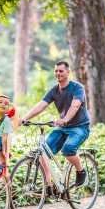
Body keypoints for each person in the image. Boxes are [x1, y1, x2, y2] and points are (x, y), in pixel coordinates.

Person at [20, 61, 90, 193]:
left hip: (80, 127)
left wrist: (65, 119)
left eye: (61, 71)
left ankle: (81, 172)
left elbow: (75, 106)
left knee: (68, 150)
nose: (58, 73)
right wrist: (24, 118)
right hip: (62, 128)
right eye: (56, 71)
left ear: (68, 72)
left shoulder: (77, 87)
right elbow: (40, 106)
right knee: (43, 153)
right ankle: (48, 186)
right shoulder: (54, 90)